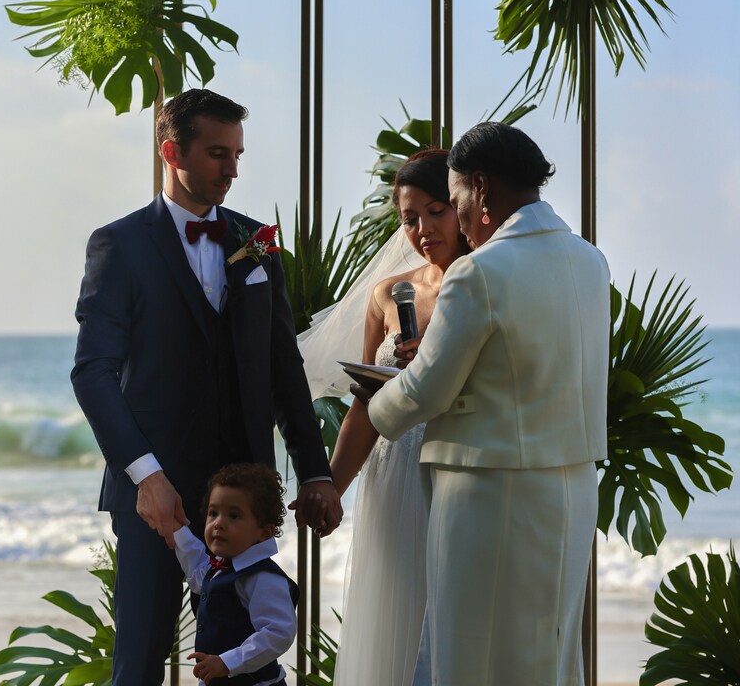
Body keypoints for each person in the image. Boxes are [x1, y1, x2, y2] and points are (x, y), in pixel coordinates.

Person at [70, 88, 341, 686]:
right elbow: (92, 372)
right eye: (218, 153)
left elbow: (282, 366)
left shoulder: (257, 242)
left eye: (238, 153)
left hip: (243, 498)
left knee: (245, 670)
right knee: (138, 665)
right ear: (173, 151)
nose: (233, 169)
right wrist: (148, 477)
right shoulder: (120, 244)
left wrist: (314, 470)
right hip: (155, 502)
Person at [360, 122, 610, 685]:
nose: (460, 219)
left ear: (480, 188)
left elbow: (427, 389)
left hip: (488, 492)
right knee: (547, 652)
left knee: (470, 656)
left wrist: (376, 404)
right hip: (570, 487)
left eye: (454, 203)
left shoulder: (479, 271)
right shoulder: (589, 261)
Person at [298, 149, 469, 686]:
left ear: (463, 206)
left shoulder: (489, 283)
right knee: (399, 616)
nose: (422, 229)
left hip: (463, 466)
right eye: (409, 218)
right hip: (397, 473)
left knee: (456, 622)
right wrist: (331, 487)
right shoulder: (385, 296)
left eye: (436, 210)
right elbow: (366, 401)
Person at [173, 463, 298, 686]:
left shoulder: (263, 577)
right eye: (213, 513)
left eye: (234, 516)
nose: (219, 523)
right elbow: (198, 573)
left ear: (265, 532)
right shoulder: (222, 566)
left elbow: (278, 632)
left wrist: (227, 662)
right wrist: (176, 530)